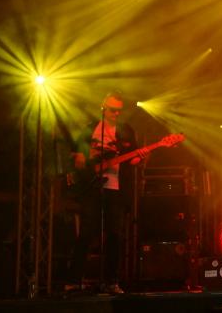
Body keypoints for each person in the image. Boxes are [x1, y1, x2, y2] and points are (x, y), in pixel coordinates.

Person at [67, 91, 145, 294]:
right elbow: (76, 154)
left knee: (114, 235)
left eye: (119, 110)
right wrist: (82, 156)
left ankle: (112, 281)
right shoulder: (91, 128)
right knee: (86, 233)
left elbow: (133, 158)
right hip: (92, 186)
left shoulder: (126, 130)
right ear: (103, 108)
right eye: (112, 110)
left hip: (115, 188)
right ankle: (73, 279)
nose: (116, 114)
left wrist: (139, 158)